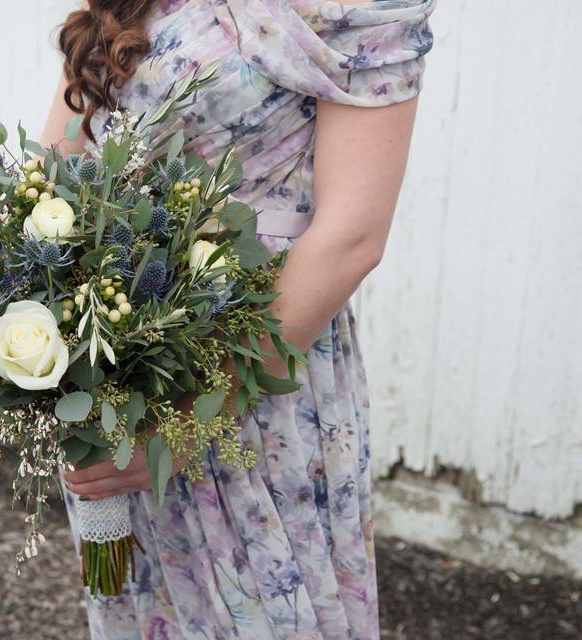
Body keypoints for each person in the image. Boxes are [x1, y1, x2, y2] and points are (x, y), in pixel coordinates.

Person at [41, 1, 436, 637]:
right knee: (145, 603)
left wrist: (192, 416)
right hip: (121, 347)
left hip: (256, 354)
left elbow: (353, 237)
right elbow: (59, 162)